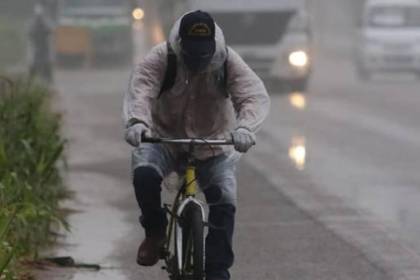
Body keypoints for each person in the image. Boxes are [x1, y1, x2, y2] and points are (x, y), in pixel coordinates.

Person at [123, 10, 270, 280]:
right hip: (163, 139)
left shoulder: (227, 61)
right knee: (144, 173)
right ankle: (155, 232)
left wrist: (245, 127)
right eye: (192, 55)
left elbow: (253, 96)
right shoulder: (161, 58)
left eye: (204, 55)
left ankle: (217, 269)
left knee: (225, 201)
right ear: (181, 45)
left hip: (212, 143)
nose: (198, 62)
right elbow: (141, 90)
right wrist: (137, 122)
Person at [28, 3, 53, 84]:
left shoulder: (44, 22)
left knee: (46, 62)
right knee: (34, 62)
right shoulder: (34, 23)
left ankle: (48, 79)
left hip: (44, 46)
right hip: (37, 46)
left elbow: (50, 31)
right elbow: (30, 33)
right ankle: (31, 80)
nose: (39, 18)